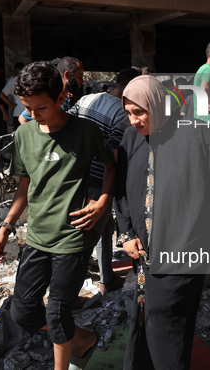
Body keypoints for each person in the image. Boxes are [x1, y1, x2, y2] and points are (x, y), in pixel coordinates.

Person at [0, 61, 116, 370]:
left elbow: (111, 165)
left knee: (58, 312)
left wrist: (102, 202)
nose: (33, 115)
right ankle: (82, 339)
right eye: (28, 108)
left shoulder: (85, 131)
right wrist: (5, 228)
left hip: (73, 236)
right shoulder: (25, 135)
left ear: (61, 98)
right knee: (23, 311)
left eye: (41, 107)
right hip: (37, 237)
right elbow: (23, 188)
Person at [115, 75, 210, 369]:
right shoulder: (132, 138)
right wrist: (126, 233)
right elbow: (121, 191)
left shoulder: (200, 134)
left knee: (167, 316)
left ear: (158, 105)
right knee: (147, 314)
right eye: (129, 113)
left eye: (140, 112)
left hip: (186, 244)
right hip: (145, 250)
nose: (133, 120)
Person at [67, 67, 140, 295]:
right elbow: (115, 154)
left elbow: (67, 128)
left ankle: (106, 279)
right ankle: (69, 294)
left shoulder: (87, 98)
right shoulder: (123, 113)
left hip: (76, 175)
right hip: (100, 181)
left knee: (104, 229)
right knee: (88, 235)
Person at [19, 56, 84, 124]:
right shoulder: (51, 96)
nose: (82, 82)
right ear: (67, 75)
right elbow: (22, 119)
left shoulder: (66, 98)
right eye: (79, 77)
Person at [0, 62, 26, 129]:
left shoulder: (13, 81)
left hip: (18, 112)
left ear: (15, 70)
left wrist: (11, 105)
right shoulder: (30, 80)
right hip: (30, 112)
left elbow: (1, 95)